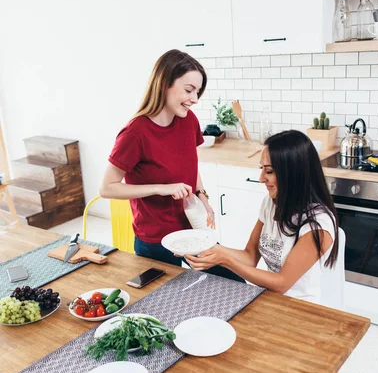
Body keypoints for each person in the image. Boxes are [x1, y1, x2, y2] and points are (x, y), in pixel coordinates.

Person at [100, 49, 243, 281]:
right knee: (165, 299)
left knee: (233, 282)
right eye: (189, 90)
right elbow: (107, 188)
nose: (195, 99)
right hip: (155, 238)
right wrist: (162, 188)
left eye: (198, 91)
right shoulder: (135, 133)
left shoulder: (189, 121)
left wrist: (203, 198)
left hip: (192, 228)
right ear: (164, 83)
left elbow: (191, 165)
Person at [185, 130, 339, 303]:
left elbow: (282, 283)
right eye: (262, 169)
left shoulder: (317, 225)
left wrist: (225, 260)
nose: (261, 179)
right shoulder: (271, 203)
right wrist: (207, 248)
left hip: (299, 309)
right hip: (266, 299)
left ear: (294, 173)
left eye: (269, 171)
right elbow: (250, 257)